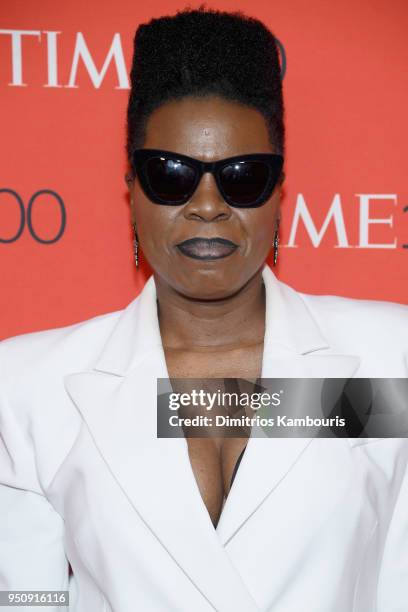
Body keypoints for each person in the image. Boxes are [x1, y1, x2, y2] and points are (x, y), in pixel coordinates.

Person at [0, 7, 407, 612]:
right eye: (171, 174)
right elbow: (26, 600)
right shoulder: (30, 386)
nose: (208, 205)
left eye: (243, 176)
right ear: (131, 188)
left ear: (279, 192)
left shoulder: (388, 356)